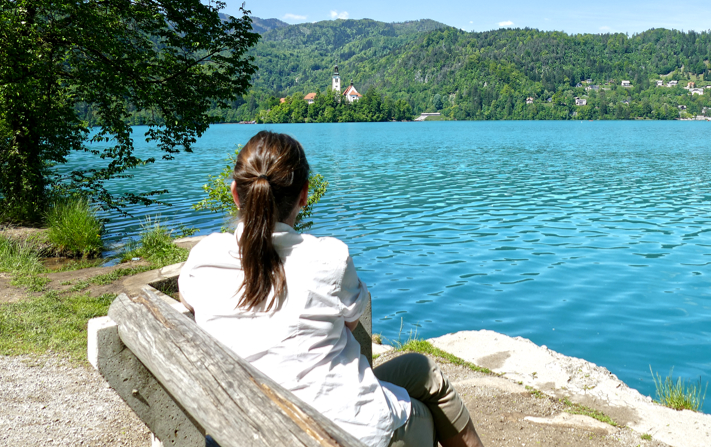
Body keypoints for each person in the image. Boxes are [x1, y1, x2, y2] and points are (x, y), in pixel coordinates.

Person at [179, 131, 484, 447]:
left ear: (235, 193)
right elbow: (351, 321)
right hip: (340, 432)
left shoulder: (205, 257)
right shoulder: (328, 258)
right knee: (425, 396)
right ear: (304, 195)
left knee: (421, 368)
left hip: (246, 428)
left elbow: (187, 298)